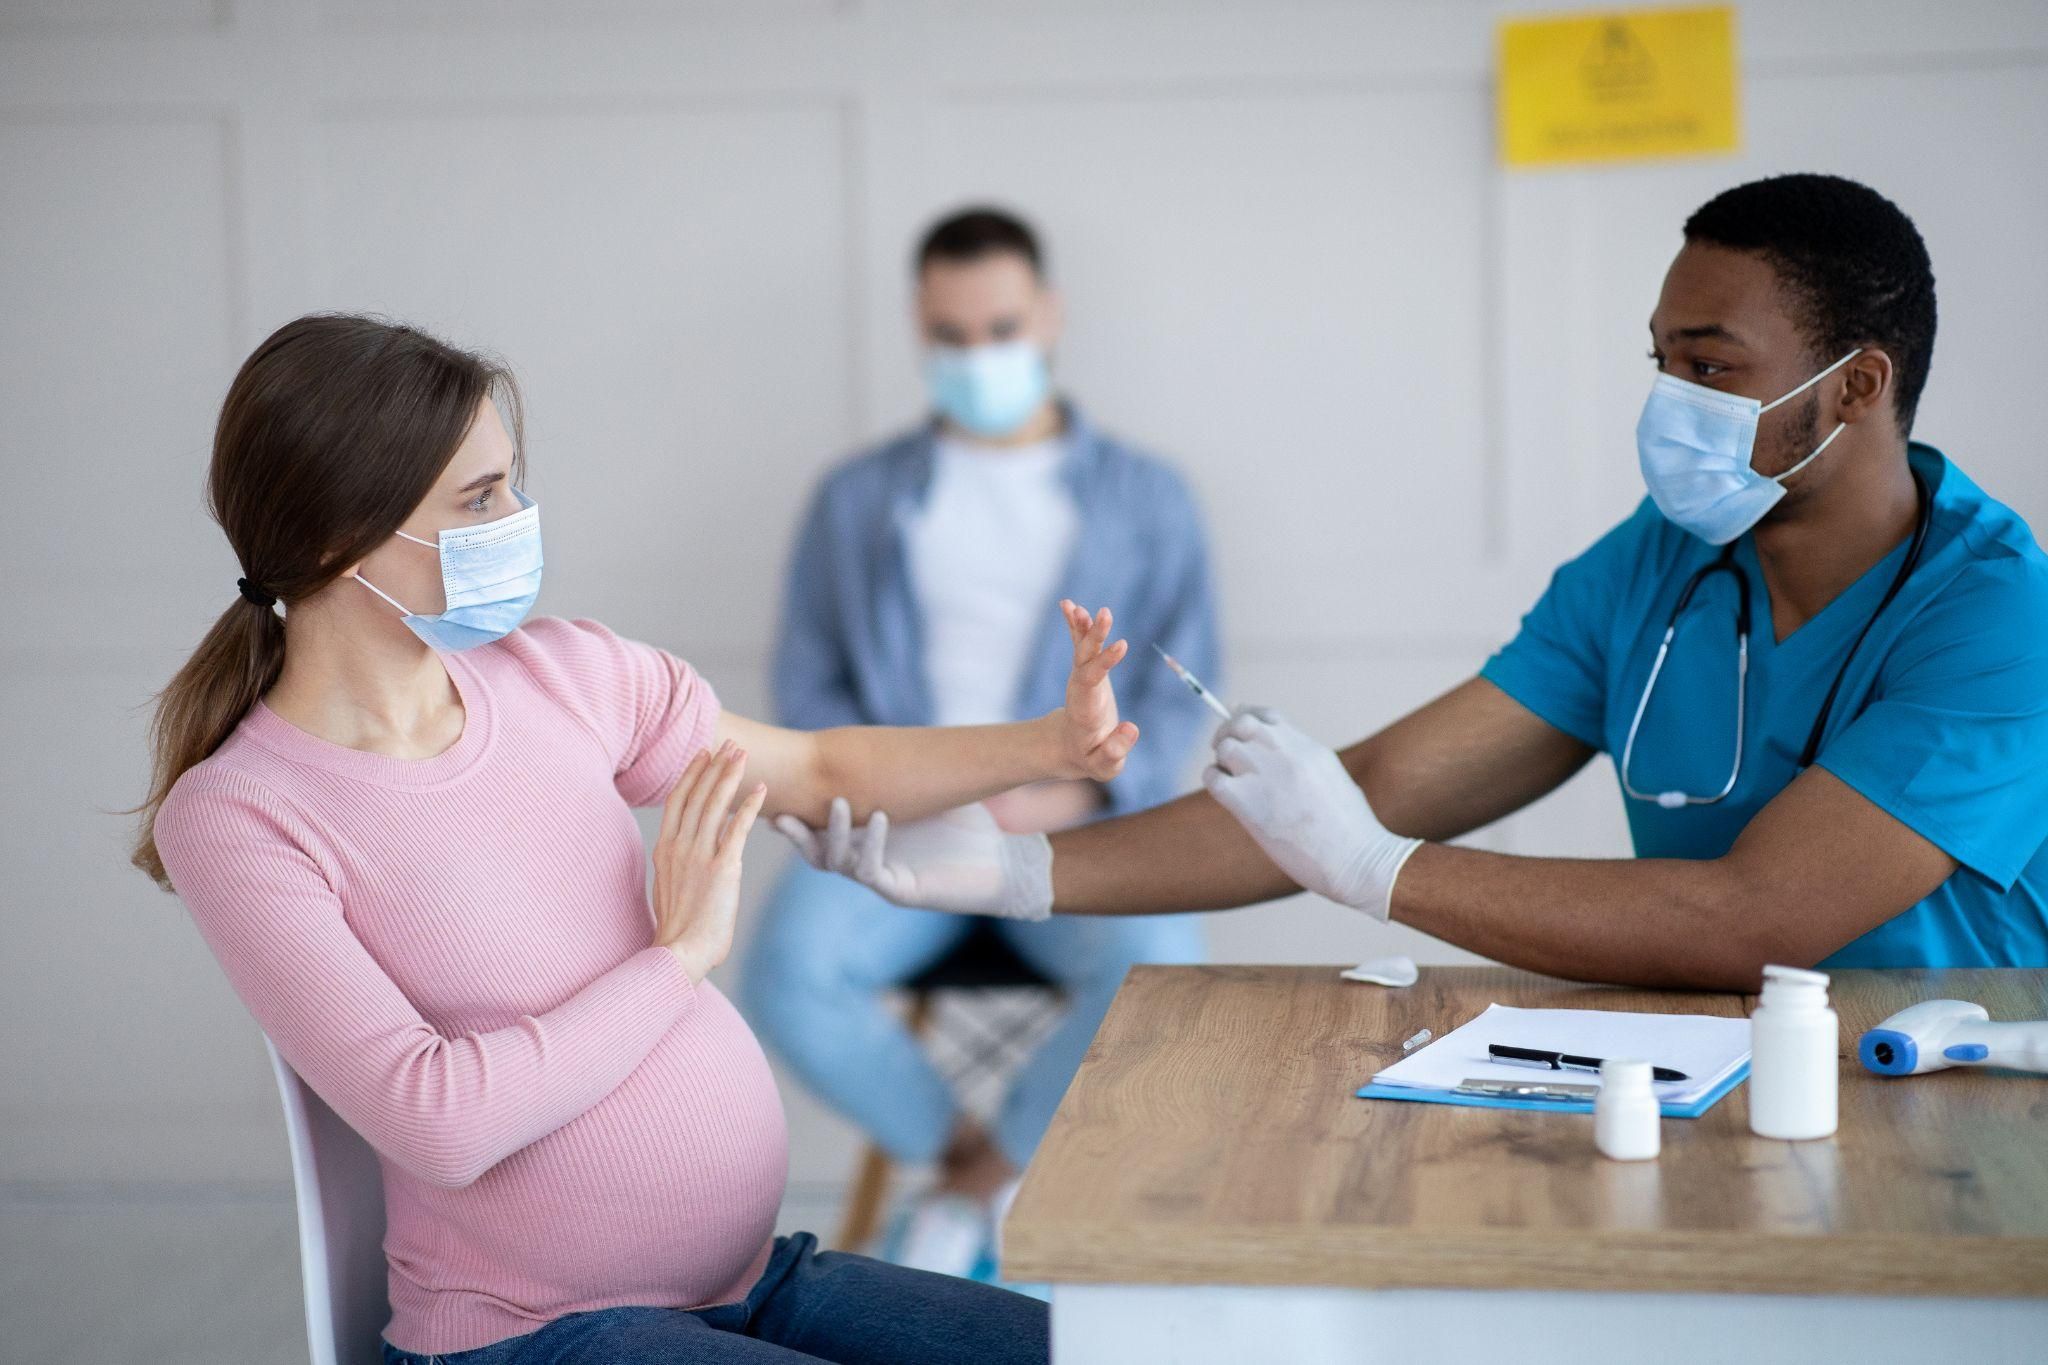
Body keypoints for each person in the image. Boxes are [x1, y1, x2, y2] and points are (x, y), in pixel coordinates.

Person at [130, 315, 1145, 1363]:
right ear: (340, 535)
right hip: (531, 1339)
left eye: (511, 484)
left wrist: (1050, 746)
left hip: (754, 1283)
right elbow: (437, 1118)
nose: (519, 519)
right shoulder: (242, 816)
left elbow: (822, 770)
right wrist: (678, 960)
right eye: (480, 500)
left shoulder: (566, 676)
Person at [779, 173, 2048, 986]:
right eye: (1658, 360)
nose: (1668, 402)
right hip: (1714, 1063)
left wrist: (1375, 870)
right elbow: (1373, 787)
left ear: (1857, 384)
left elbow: (1753, 917)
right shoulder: (1655, 567)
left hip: (1954, 1087)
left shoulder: (1997, 617)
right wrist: (1014, 877)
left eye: (1708, 368)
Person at [740, 207, 1216, 1277]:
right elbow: (808, 686)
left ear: (1045, 315)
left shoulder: (1148, 499)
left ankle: (976, 1195)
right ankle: (974, 1174)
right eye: (948, 335)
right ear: (919, 326)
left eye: (998, 326)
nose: (975, 356)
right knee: (783, 974)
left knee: (1162, 967)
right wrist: (916, 790)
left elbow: (1182, 694)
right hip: (898, 829)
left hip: (1072, 832)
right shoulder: (855, 500)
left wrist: (1069, 795)